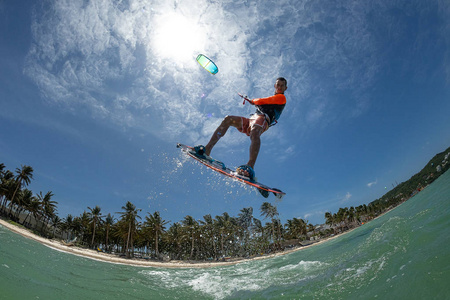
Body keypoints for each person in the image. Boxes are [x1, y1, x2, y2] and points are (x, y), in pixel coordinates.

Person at [192, 77, 288, 181]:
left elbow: (265, 100)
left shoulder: (282, 98)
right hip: (252, 119)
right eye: (278, 84)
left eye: (282, 86)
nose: (279, 87)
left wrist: (253, 101)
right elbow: (262, 102)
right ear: (275, 85)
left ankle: (250, 166)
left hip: (263, 120)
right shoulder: (272, 97)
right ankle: (208, 149)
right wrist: (254, 102)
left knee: (255, 132)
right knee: (228, 119)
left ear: (285, 88)